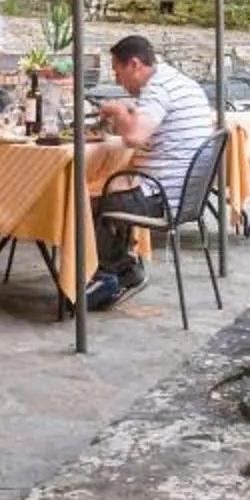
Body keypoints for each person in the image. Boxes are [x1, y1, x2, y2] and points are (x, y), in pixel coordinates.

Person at [85, 33, 218, 310]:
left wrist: (119, 112)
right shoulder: (177, 81)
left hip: (162, 195)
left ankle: (113, 274)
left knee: (82, 200)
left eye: (118, 71)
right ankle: (118, 270)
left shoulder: (159, 89)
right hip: (186, 194)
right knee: (103, 190)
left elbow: (134, 137)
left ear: (134, 64)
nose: (118, 80)